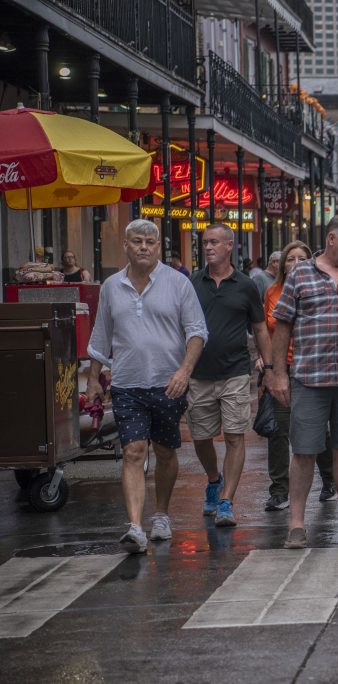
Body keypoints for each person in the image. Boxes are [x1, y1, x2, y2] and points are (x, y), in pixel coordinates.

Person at [86, 219, 208, 553]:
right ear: (125, 246)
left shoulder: (178, 284)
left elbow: (197, 331)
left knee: (166, 451)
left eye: (150, 242)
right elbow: (100, 336)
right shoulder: (111, 286)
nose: (144, 247)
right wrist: (93, 379)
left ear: (159, 248)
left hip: (169, 384)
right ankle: (136, 527)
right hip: (127, 384)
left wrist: (184, 371)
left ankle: (162, 514)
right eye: (137, 241)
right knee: (133, 451)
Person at [268, 212, 338, 549]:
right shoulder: (301, 274)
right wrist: (279, 374)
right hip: (309, 378)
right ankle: (296, 524)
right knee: (303, 451)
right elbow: (282, 325)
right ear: (331, 238)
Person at [189, 224, 273, 527]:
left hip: (236, 372)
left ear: (229, 246)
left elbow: (260, 327)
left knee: (235, 436)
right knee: (200, 437)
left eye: (214, 242)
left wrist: (270, 365)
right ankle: (214, 478)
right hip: (198, 373)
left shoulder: (246, 285)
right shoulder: (193, 283)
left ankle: (226, 500)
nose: (208, 247)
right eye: (204, 243)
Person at [262, 241, 335, 511]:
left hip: (310, 367)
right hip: (282, 367)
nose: (295, 264)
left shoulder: (319, 288)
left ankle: (329, 478)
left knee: (314, 430)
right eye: (289, 259)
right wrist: (267, 364)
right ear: (282, 266)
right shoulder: (272, 291)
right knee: (278, 430)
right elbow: (265, 330)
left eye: (300, 259)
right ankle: (279, 490)